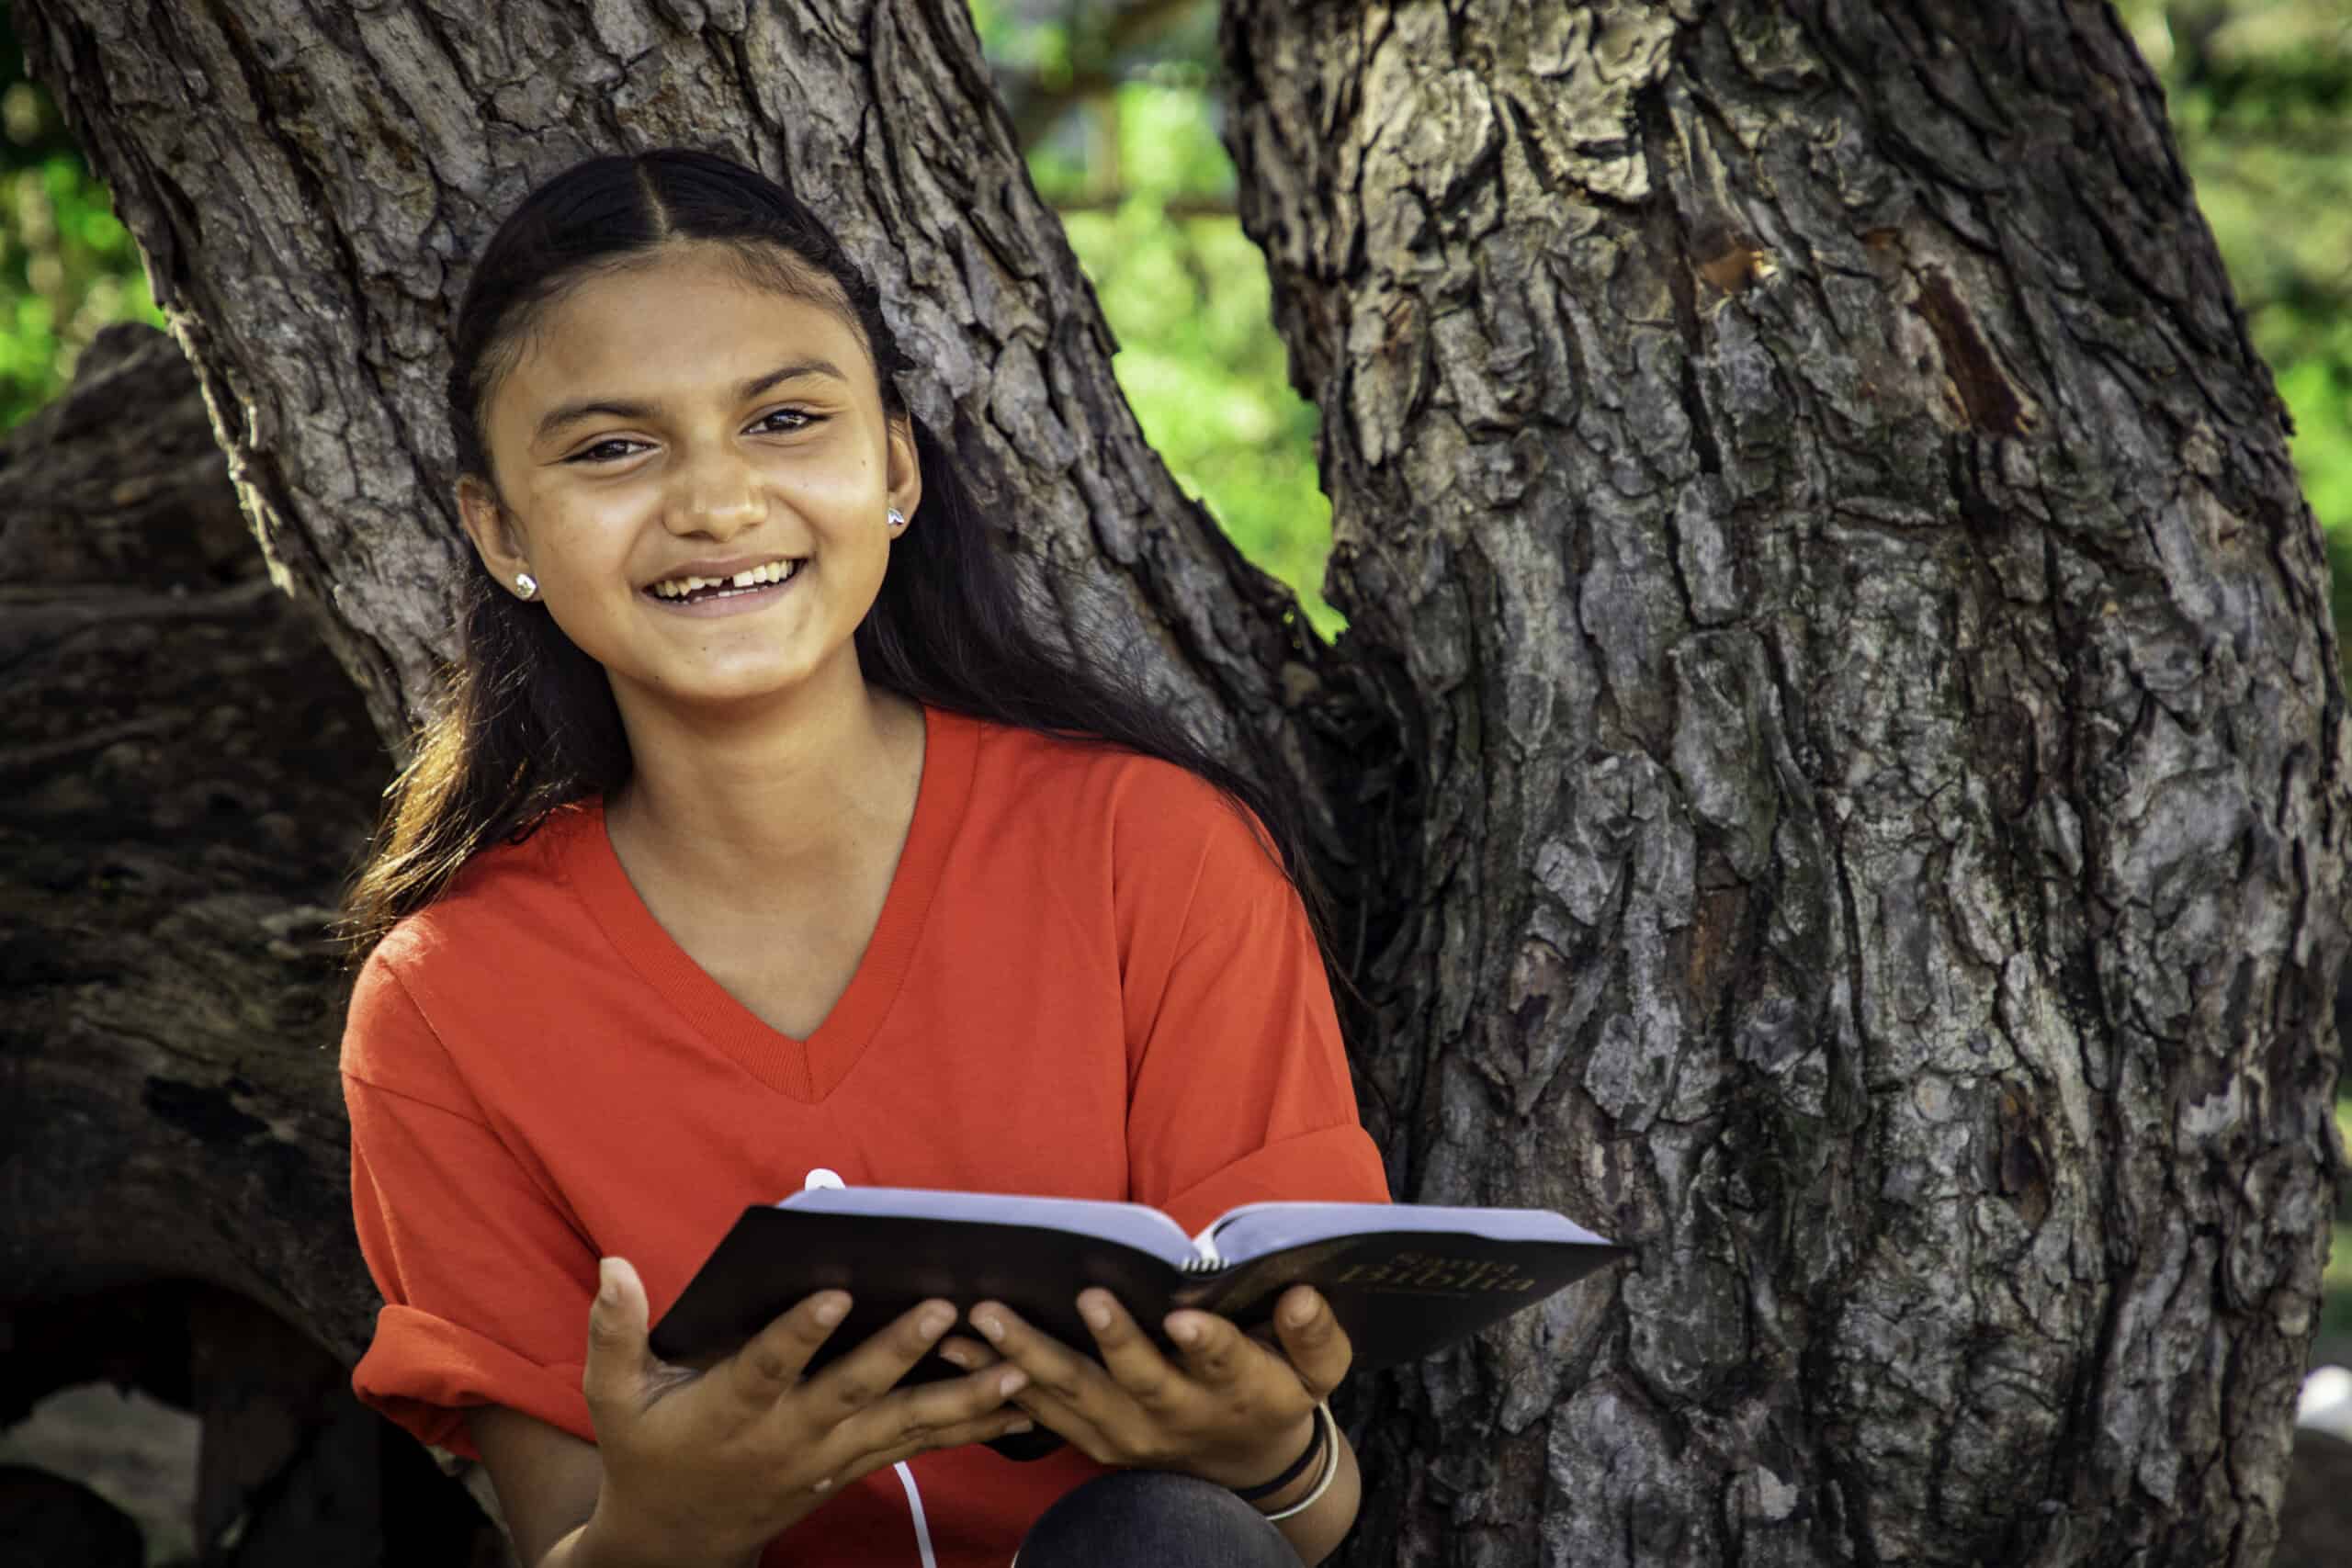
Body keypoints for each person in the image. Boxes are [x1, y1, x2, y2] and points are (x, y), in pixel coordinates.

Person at [334, 146, 1392, 1568]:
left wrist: (1274, 1451)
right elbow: (566, 1544)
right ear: (502, 531)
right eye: (610, 448)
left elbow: (1296, 1519)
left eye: (783, 419)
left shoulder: (1152, 854)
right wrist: (669, 1520)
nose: (716, 502)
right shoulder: (449, 1004)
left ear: (894, 464)